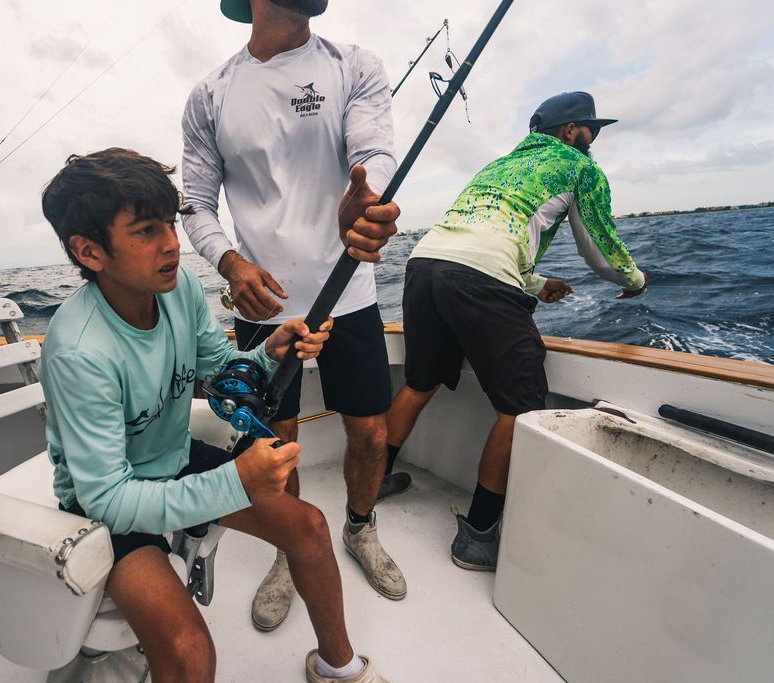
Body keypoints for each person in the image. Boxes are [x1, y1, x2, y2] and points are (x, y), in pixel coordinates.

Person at [39, 148, 388, 683]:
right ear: (88, 251)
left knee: (311, 528)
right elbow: (105, 496)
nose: (173, 244)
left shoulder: (177, 289)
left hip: (172, 463)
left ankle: (337, 668)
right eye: (146, 231)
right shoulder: (79, 350)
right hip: (104, 512)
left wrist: (269, 352)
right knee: (189, 652)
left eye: (170, 224)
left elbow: (224, 369)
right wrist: (233, 482)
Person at [181, 0, 407, 633]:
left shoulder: (354, 66)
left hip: (350, 295)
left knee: (370, 433)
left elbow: (376, 153)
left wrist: (364, 199)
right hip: (263, 306)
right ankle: (289, 548)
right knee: (275, 443)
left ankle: (360, 529)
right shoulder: (210, 95)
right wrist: (230, 265)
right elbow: (195, 204)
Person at [386, 91, 648, 571]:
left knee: (419, 382)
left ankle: (374, 477)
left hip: (423, 266)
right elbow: (599, 246)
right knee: (521, 405)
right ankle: (479, 535)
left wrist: (537, 282)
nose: (594, 138)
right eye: (592, 128)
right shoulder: (577, 166)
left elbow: (484, 237)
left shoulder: (498, 166)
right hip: (480, 277)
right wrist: (634, 280)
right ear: (571, 131)